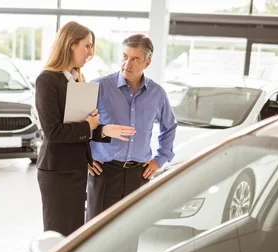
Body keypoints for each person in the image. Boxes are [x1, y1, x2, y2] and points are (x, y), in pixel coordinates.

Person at [35, 21, 136, 237]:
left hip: (76, 169)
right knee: (57, 235)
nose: (90, 52)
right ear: (71, 44)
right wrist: (88, 126)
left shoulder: (77, 79)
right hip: (57, 171)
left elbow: (82, 126)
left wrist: (104, 130)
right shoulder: (47, 80)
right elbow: (53, 132)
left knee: (72, 234)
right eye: (87, 46)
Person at [87, 34, 177, 222]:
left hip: (138, 176)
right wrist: (84, 156)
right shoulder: (98, 86)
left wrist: (159, 159)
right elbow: (78, 125)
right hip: (104, 173)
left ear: (148, 62)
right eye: (125, 56)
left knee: (130, 235)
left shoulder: (157, 93)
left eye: (135, 59)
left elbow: (169, 127)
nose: (127, 63)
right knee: (96, 239)